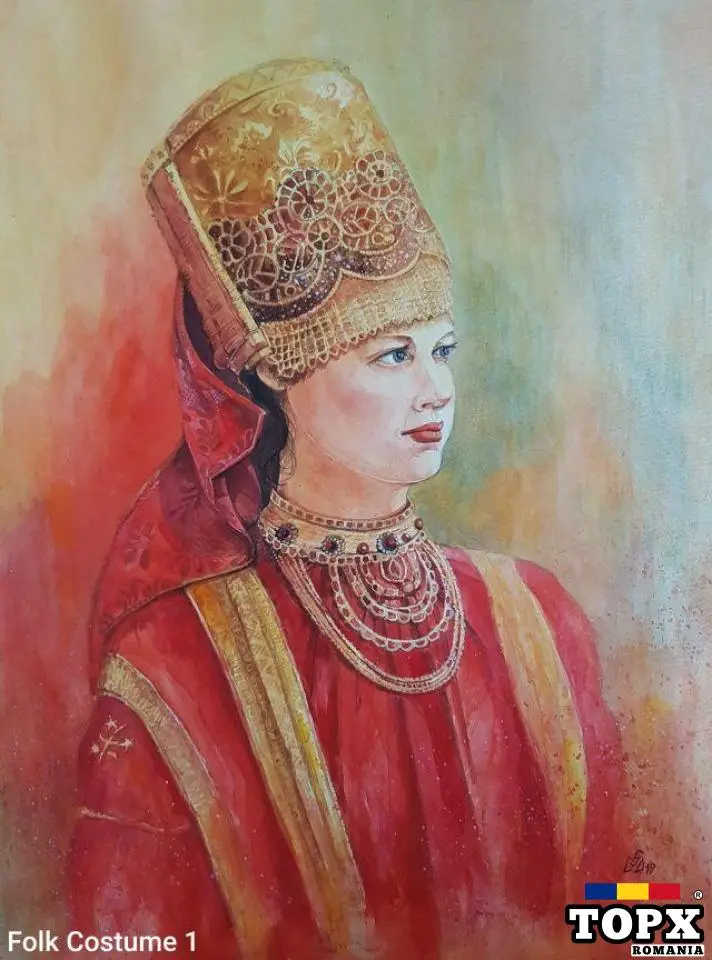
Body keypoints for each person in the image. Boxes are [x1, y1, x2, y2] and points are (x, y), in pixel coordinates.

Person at [69, 58, 622, 959]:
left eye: (442, 349)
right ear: (278, 374)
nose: (436, 388)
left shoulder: (540, 622)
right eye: (392, 356)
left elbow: (637, 908)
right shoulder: (174, 666)